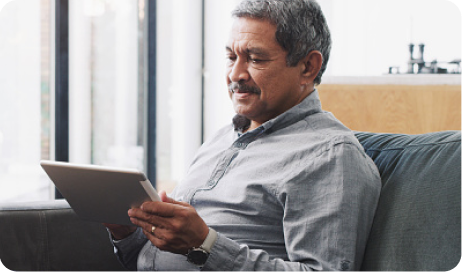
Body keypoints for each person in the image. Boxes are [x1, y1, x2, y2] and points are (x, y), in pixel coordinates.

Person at [105, 0, 381, 271]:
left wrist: (205, 245)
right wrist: (128, 234)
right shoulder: (221, 139)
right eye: (230, 57)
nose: (235, 74)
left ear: (308, 67)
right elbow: (149, 260)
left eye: (255, 59)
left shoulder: (331, 156)